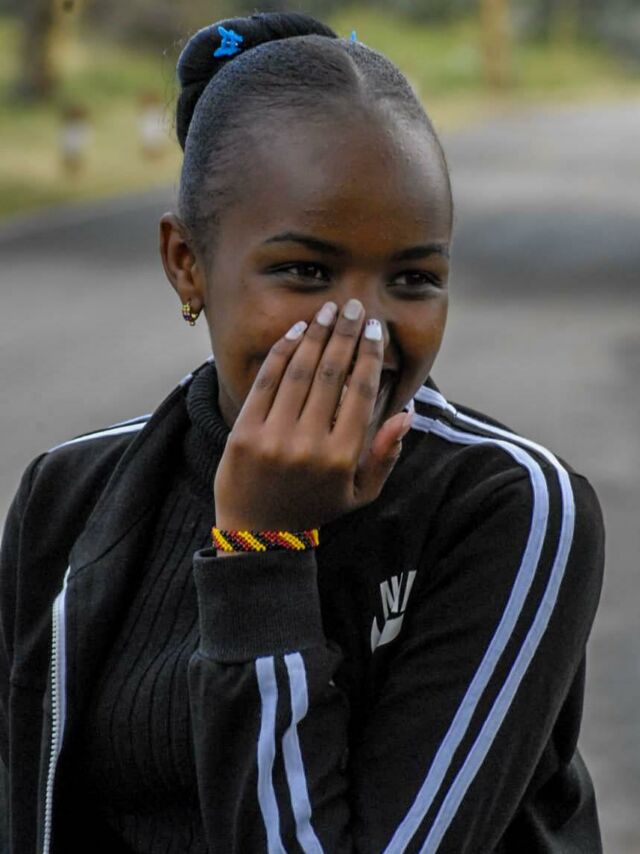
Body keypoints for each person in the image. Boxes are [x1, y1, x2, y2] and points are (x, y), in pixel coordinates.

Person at [0, 12, 605, 854]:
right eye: (306, 271)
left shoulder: (511, 506)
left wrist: (264, 549)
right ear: (187, 264)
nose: (364, 326)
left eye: (414, 278)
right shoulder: (71, 496)